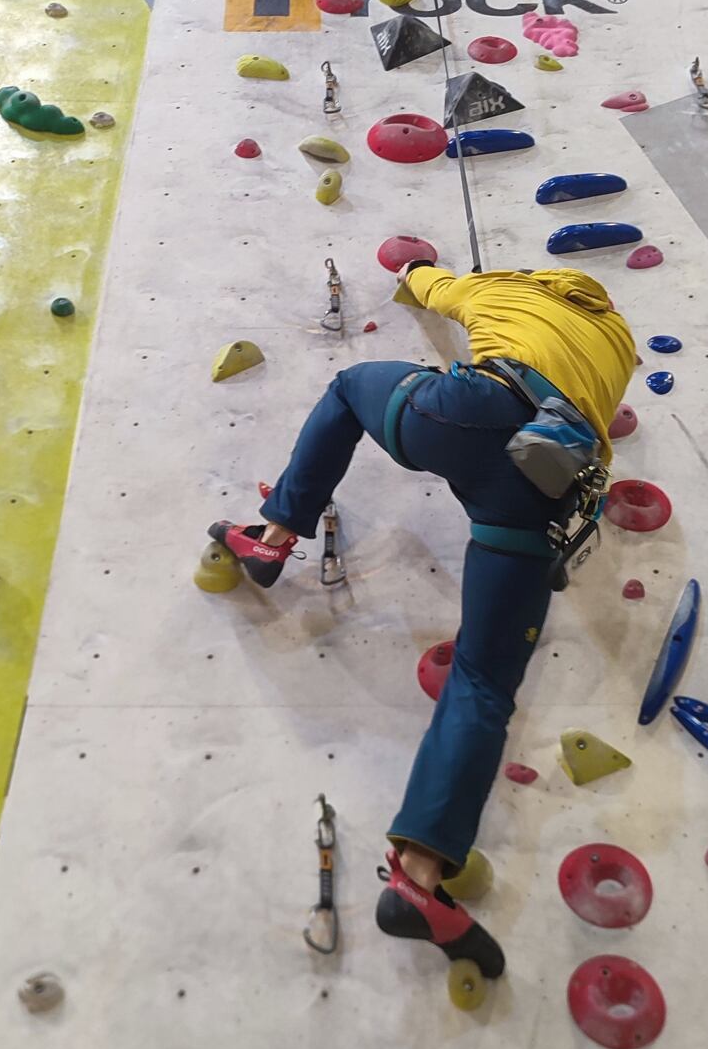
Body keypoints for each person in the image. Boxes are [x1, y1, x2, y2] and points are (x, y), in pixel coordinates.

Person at [210, 261, 636, 980]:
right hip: (552, 475)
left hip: (475, 414)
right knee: (484, 681)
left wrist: (415, 270)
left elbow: (432, 289)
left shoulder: (503, 289)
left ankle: (274, 538)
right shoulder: (619, 339)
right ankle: (418, 878)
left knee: (350, 388)